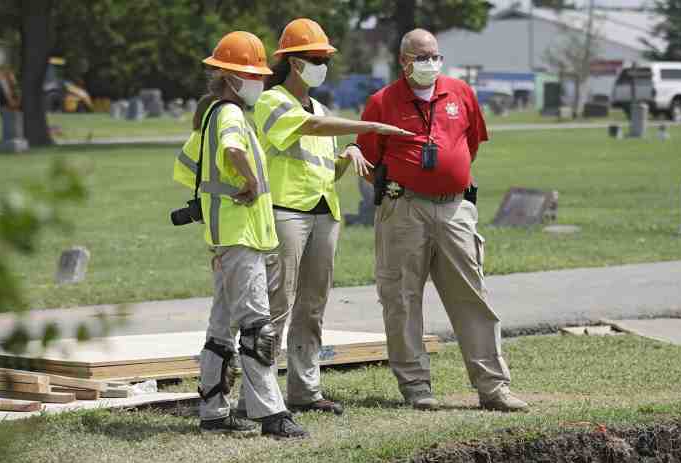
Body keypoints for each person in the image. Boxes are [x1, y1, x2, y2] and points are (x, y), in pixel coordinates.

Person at [356, 29, 528, 413]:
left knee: (472, 296)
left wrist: (447, 175)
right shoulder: (382, 102)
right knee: (401, 298)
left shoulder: (461, 92)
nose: (430, 62)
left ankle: (493, 386)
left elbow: (471, 144)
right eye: (422, 56)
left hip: (454, 209)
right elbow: (368, 162)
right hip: (404, 210)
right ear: (404, 61)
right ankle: (416, 385)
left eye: (435, 55)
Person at [254, 18, 411, 416]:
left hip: (324, 212)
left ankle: (305, 391)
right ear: (293, 62)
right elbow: (311, 127)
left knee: (313, 304)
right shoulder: (272, 102)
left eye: (325, 58)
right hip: (287, 212)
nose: (322, 64)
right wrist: (372, 126)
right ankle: (262, 395)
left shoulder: (321, 105)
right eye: (316, 58)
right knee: (279, 304)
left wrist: (348, 156)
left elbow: (324, 165)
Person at [172, 31, 306, 438]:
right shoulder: (229, 115)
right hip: (241, 235)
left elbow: (185, 168)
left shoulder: (212, 113)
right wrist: (248, 181)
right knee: (256, 326)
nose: (260, 82)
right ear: (232, 78)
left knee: (222, 325)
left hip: (225, 235)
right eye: (254, 75)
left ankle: (213, 410)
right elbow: (233, 151)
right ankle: (270, 414)